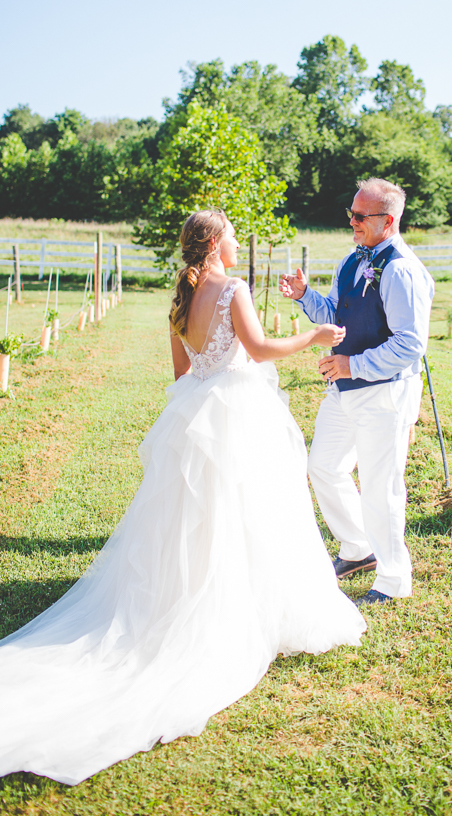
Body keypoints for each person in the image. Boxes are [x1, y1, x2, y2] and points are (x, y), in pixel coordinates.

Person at [0, 209, 365, 785]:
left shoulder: (182, 295)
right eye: (234, 235)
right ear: (218, 242)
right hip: (237, 415)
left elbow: (183, 372)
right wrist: (314, 336)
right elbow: (262, 347)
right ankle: (237, 608)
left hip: (195, 412)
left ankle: (193, 592)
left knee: (196, 517)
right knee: (251, 512)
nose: (240, 243)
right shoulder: (232, 288)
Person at [279, 178, 434, 605]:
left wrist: (353, 364)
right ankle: (357, 548)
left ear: (388, 221)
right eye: (351, 213)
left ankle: (393, 579)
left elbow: (409, 344)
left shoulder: (401, 269)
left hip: (384, 394)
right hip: (344, 389)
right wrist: (305, 296)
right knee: (323, 466)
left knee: (382, 486)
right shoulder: (351, 261)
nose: (352, 221)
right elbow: (335, 316)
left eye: (360, 216)